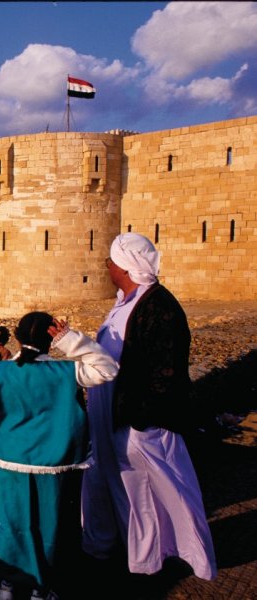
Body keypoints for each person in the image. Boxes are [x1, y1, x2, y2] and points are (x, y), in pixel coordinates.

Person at [81, 233, 217, 582]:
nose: (107, 267)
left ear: (125, 266)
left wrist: (143, 417)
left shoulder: (159, 306)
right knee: (131, 490)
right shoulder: (126, 301)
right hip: (117, 411)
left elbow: (165, 366)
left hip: (143, 417)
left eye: (110, 261)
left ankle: (187, 556)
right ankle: (140, 556)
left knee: (168, 488)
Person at [0, 312, 119, 600]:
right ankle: (42, 588)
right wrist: (70, 339)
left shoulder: (0, 372)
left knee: (10, 521)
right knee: (50, 525)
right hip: (54, 464)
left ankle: (9, 583)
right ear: (50, 339)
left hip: (11, 463)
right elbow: (108, 367)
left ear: (17, 336)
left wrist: (11, 430)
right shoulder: (66, 373)